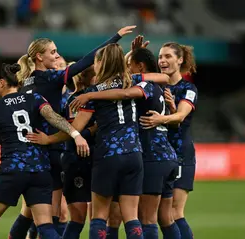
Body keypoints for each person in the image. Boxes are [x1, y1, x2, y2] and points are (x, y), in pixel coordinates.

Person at [10, 26, 136, 238]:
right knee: (51, 215)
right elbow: (86, 60)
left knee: (32, 211)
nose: (57, 55)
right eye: (53, 52)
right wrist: (116, 38)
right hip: (50, 150)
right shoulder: (50, 78)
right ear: (39, 57)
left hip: (28, 152)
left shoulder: (24, 84)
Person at [70, 47, 181, 239]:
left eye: (96, 61)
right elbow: (164, 79)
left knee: (99, 216)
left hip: (107, 155)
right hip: (134, 155)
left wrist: (58, 130)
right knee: (132, 217)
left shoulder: (92, 91)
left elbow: (77, 127)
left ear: (102, 64)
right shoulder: (134, 81)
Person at [0, 63, 89, 239]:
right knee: (45, 226)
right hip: (39, 170)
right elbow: (54, 118)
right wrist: (75, 134)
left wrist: (4, 133)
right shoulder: (35, 98)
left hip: (12, 170)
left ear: (2, 83)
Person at [27, 66, 97, 239]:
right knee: (75, 216)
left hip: (98, 159)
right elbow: (75, 131)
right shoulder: (76, 100)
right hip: (75, 161)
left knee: (97, 216)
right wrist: (95, 128)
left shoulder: (98, 96)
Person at [139, 42, 198, 239]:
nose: (162, 61)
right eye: (160, 57)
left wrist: (160, 119)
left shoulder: (188, 88)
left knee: (173, 212)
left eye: (168, 57)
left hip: (180, 153)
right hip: (157, 154)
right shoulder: (155, 85)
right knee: (158, 214)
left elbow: (180, 116)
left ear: (180, 60)